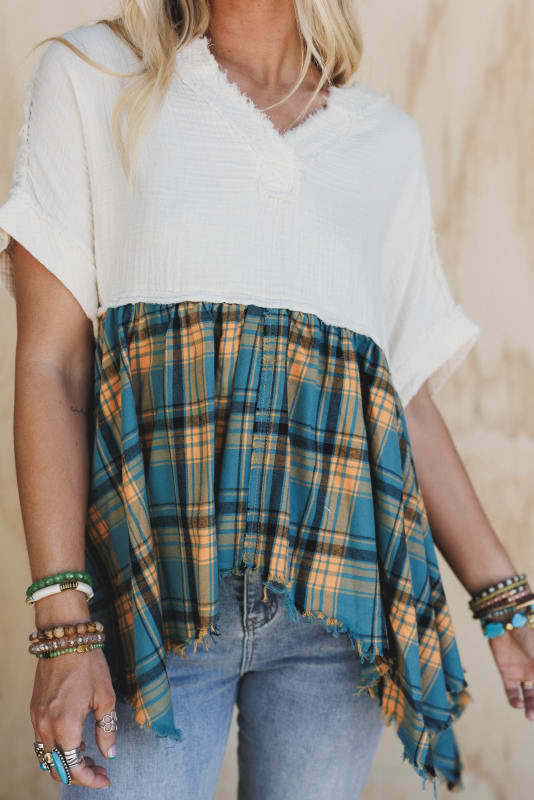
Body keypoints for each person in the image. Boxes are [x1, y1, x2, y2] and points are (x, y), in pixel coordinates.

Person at [1, 2, 534, 798]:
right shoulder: (94, 76)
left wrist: (506, 605)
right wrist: (62, 627)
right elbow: (53, 367)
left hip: (338, 620)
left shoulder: (384, 142)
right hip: (150, 604)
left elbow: (405, 403)